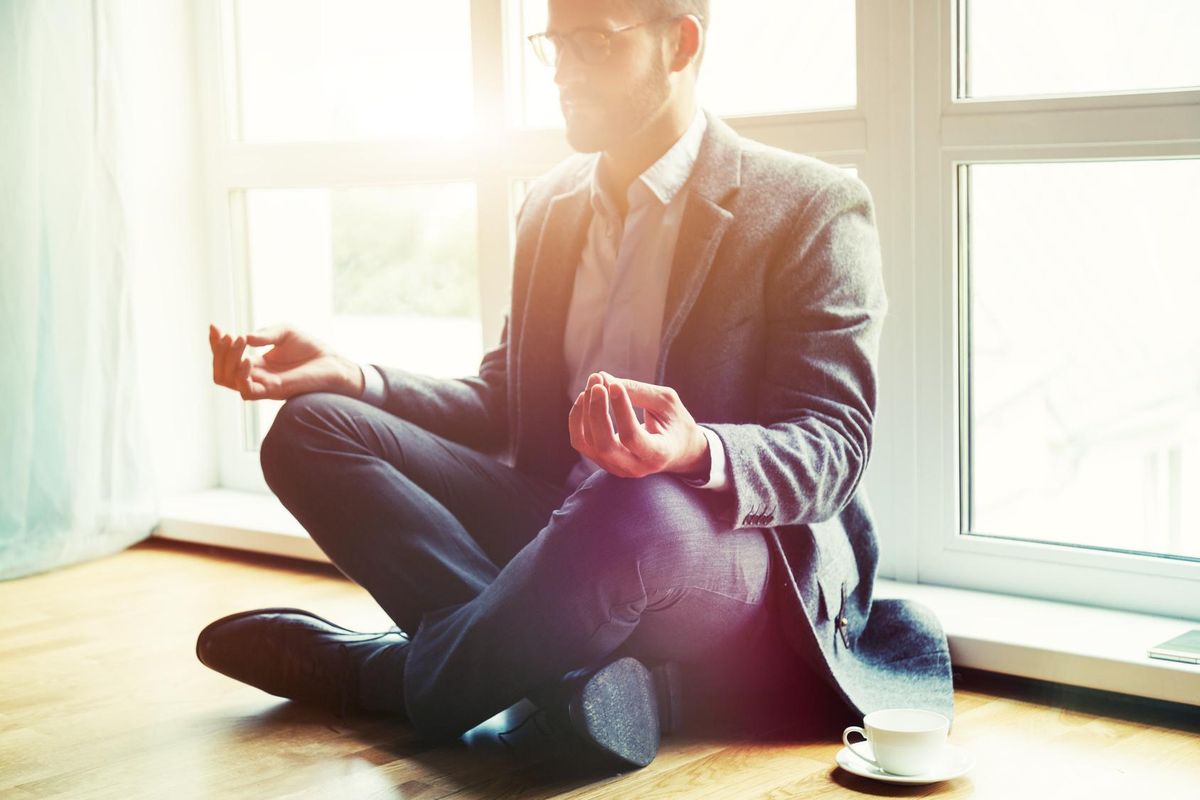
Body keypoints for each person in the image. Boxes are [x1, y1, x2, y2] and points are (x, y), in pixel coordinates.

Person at [196, 0, 954, 772]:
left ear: (681, 42)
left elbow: (832, 446)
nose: (563, 71)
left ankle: (383, 674)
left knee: (631, 503)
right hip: (560, 527)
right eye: (554, 43)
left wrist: (694, 448)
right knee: (311, 427)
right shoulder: (550, 206)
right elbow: (503, 403)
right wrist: (356, 377)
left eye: (592, 43)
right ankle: (571, 679)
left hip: (718, 552)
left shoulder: (808, 206)